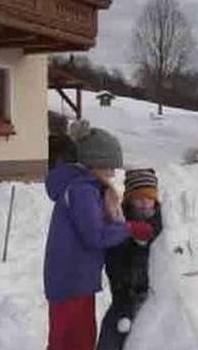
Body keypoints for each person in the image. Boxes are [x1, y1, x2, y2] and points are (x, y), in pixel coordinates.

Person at [44, 121, 154, 350]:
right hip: (72, 281)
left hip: (70, 278)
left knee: (66, 339)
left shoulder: (81, 186)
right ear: (94, 163)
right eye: (109, 167)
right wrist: (130, 229)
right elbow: (95, 235)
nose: (113, 173)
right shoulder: (83, 190)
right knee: (77, 341)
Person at [97, 169, 164, 350]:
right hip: (124, 299)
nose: (144, 204)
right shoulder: (119, 225)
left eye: (149, 198)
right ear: (129, 200)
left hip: (155, 299)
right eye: (139, 198)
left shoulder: (163, 227)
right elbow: (113, 261)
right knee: (111, 338)